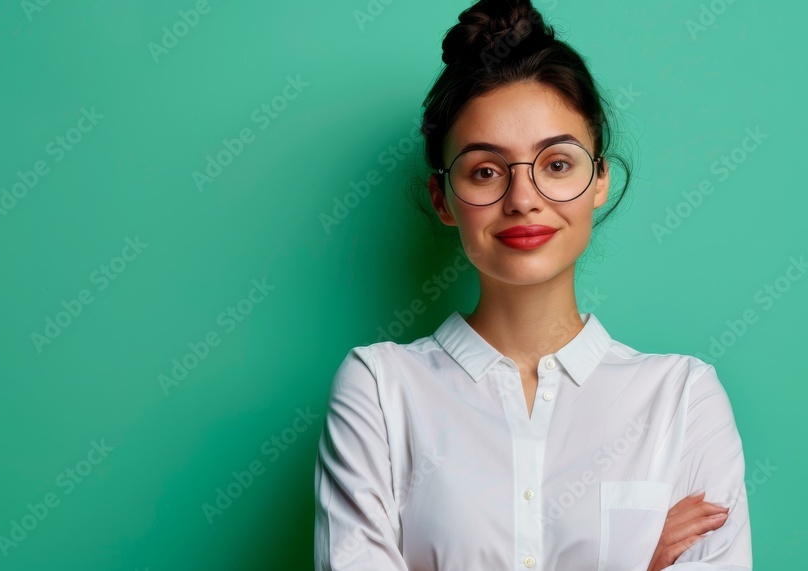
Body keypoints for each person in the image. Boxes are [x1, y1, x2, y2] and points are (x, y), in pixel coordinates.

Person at [313, 0, 753, 569]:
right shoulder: (378, 390)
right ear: (443, 199)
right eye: (487, 171)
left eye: (557, 164)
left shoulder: (684, 399)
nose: (523, 199)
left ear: (599, 180)